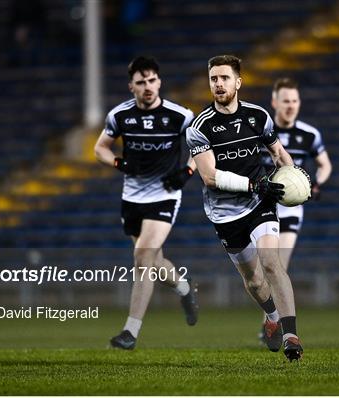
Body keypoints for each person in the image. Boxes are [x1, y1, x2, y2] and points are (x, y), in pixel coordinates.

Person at [186, 55, 303, 361]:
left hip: (259, 203)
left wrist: (292, 181)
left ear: (238, 82)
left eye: (224, 78)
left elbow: (278, 153)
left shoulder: (258, 116)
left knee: (270, 263)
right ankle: (273, 315)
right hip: (224, 213)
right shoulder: (199, 127)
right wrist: (254, 185)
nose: (218, 84)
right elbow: (210, 177)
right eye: (213, 79)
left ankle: (291, 335)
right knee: (253, 279)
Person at [94, 56, 198, 349]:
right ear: (131, 87)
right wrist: (119, 163)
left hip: (164, 195)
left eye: (152, 80)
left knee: (142, 259)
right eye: (141, 82)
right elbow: (99, 148)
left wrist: (187, 171)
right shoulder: (120, 116)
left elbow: (201, 147)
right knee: (152, 261)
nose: (147, 86)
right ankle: (185, 288)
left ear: (159, 82)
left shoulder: (180, 116)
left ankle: (130, 332)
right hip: (132, 198)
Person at [258, 77, 332, 341]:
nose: (290, 106)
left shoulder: (309, 134)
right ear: (274, 102)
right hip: (261, 205)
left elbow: (325, 164)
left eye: (294, 101)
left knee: (278, 264)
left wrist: (318, 184)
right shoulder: (262, 131)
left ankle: (271, 324)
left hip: (290, 209)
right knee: (260, 270)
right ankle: (270, 319)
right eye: (285, 101)